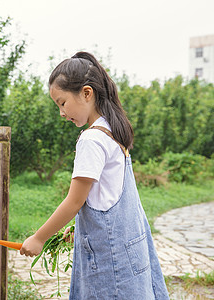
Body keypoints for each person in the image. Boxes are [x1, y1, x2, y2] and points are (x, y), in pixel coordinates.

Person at [19, 51, 170, 299]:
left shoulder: (91, 139)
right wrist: (82, 227)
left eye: (62, 102)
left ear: (87, 93)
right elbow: (105, 196)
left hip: (111, 264)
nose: (61, 113)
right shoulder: (111, 131)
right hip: (129, 252)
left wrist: (39, 238)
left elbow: (74, 201)